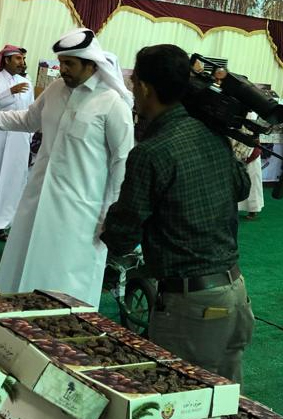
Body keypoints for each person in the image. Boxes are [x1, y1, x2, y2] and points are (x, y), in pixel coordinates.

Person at [101, 44, 254, 383]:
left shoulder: (151, 153)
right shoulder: (210, 132)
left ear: (144, 87)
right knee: (226, 398)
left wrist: (102, 226)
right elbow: (241, 188)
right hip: (234, 293)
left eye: (133, 81)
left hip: (191, 306)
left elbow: (122, 234)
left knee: (180, 395)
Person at [0, 28, 134, 307]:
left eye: (69, 64)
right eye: (61, 62)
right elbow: (28, 120)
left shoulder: (113, 103)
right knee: (23, 266)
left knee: (66, 279)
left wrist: (111, 211)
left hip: (81, 212)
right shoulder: (55, 90)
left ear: (91, 64)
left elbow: (122, 161)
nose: (62, 69)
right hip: (37, 200)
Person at [0, 44, 34, 239]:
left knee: (13, 180)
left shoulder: (27, 83)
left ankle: (3, 223)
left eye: (22, 59)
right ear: (6, 60)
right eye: (18, 59)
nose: (22, 62)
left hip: (19, 139)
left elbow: (30, 111)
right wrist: (9, 93)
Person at [236, 113, 264, 221]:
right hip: (237, 148)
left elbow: (249, 132)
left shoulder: (251, 114)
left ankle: (253, 209)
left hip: (250, 150)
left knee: (253, 181)